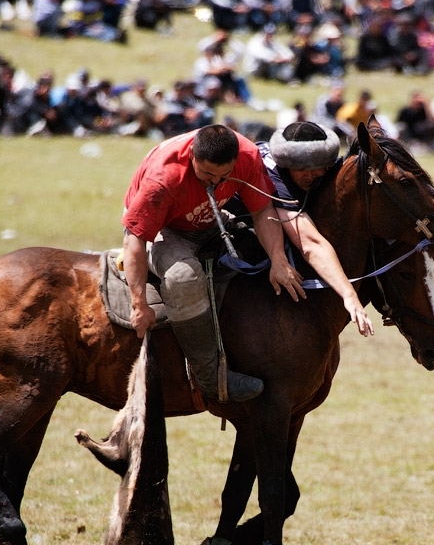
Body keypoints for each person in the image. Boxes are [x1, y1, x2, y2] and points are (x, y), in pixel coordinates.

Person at [120, 124, 305, 402]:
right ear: (192, 154)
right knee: (183, 278)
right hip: (164, 227)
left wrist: (278, 260)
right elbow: (135, 238)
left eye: (224, 175)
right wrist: (139, 304)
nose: (215, 183)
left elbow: (262, 209)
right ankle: (210, 379)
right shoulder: (164, 177)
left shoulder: (247, 155)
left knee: (258, 254)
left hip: (211, 219)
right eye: (207, 174)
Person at [258, 121, 373, 337]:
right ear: (286, 163)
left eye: (317, 167)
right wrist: (349, 294)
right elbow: (310, 243)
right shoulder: (274, 175)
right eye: (302, 168)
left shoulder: (328, 167)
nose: (311, 175)